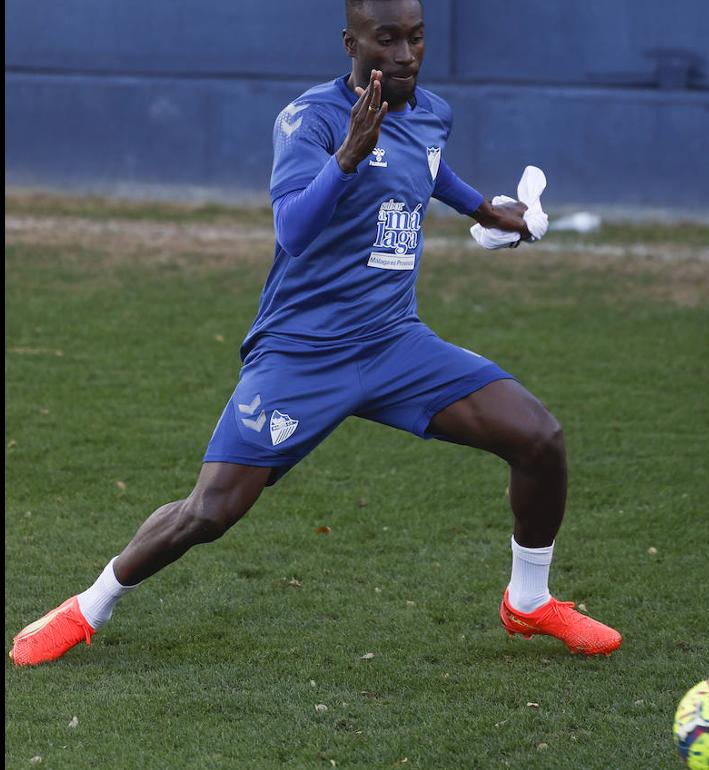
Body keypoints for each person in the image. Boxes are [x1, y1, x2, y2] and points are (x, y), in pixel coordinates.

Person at [10, 0, 620, 667]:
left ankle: (528, 602)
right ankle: (87, 605)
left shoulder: (431, 111)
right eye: (386, 40)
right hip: (302, 354)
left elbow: (428, 163)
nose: (405, 55)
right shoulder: (312, 121)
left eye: (415, 39)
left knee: (539, 439)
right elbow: (293, 232)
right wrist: (349, 158)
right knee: (209, 512)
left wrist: (486, 210)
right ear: (351, 43)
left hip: (394, 344)